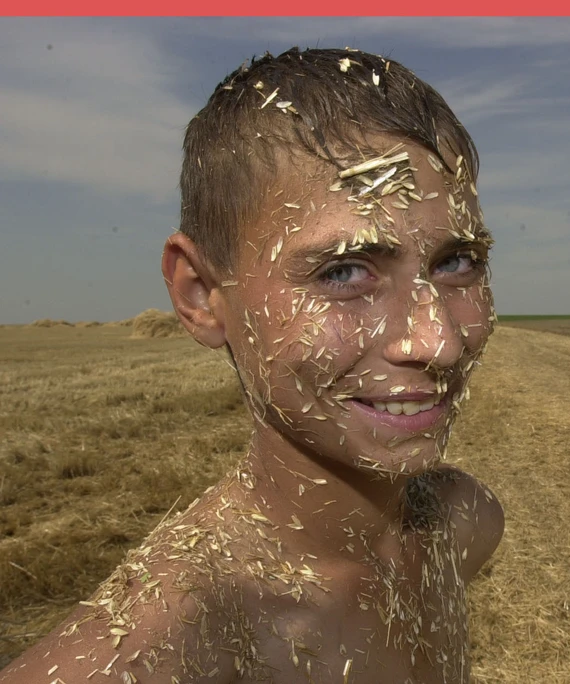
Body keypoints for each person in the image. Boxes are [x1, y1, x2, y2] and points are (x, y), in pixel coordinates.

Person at [0, 47, 503, 684]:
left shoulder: (462, 526)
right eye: (344, 272)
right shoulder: (154, 655)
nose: (439, 341)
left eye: (457, 262)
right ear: (201, 296)